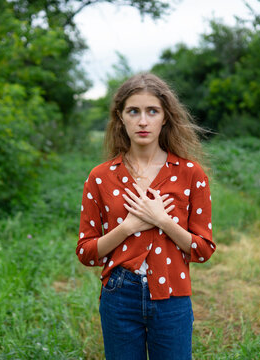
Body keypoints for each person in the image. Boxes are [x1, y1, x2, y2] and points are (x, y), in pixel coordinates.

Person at [76, 73, 215, 360]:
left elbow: (203, 250)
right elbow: (86, 253)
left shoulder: (190, 174)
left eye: (152, 111)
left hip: (173, 295)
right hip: (119, 294)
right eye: (133, 111)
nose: (143, 121)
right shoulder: (100, 178)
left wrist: (163, 220)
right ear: (120, 117)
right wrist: (127, 227)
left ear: (165, 117)